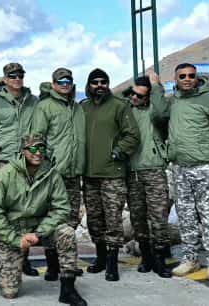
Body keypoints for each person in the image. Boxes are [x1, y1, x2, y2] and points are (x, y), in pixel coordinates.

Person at [150, 65, 209, 281]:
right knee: (185, 216)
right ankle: (190, 259)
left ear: (197, 78)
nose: (187, 79)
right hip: (180, 168)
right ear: (176, 79)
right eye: (182, 76)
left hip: (204, 167)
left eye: (191, 76)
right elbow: (158, 115)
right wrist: (156, 87)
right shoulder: (173, 101)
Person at [0, 134, 87, 306]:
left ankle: (68, 289)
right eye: (32, 149)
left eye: (41, 148)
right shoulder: (5, 174)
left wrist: (39, 233)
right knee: (10, 292)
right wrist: (15, 239)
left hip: (40, 228)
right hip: (13, 231)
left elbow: (62, 208)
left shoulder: (52, 174)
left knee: (67, 233)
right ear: (23, 151)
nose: (38, 153)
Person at [0, 62, 40, 277]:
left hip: (27, 166)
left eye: (20, 75)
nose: (17, 78)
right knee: (1, 214)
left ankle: (23, 260)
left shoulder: (33, 101)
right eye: (12, 75)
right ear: (4, 79)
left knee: (27, 214)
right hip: (2, 165)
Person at [80, 68, 140, 281]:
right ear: (89, 85)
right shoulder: (83, 108)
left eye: (103, 82)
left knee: (113, 220)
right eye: (95, 82)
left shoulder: (119, 106)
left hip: (112, 174)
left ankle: (112, 264)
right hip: (89, 175)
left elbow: (132, 136)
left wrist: (117, 152)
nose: (99, 85)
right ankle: (101, 258)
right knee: (95, 220)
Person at [31, 68, 87, 280]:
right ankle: (53, 265)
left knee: (71, 219)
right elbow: (36, 139)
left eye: (68, 81)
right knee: (52, 218)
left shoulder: (77, 108)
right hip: (53, 174)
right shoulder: (44, 107)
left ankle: (68, 264)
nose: (65, 84)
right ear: (54, 84)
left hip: (74, 173)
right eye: (61, 81)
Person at [124, 75, 173, 278]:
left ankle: (160, 259)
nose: (135, 98)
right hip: (132, 172)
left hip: (154, 169)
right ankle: (146, 257)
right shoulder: (126, 111)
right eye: (133, 94)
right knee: (138, 218)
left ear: (149, 97)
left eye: (140, 96)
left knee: (159, 217)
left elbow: (162, 112)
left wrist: (156, 86)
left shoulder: (155, 111)